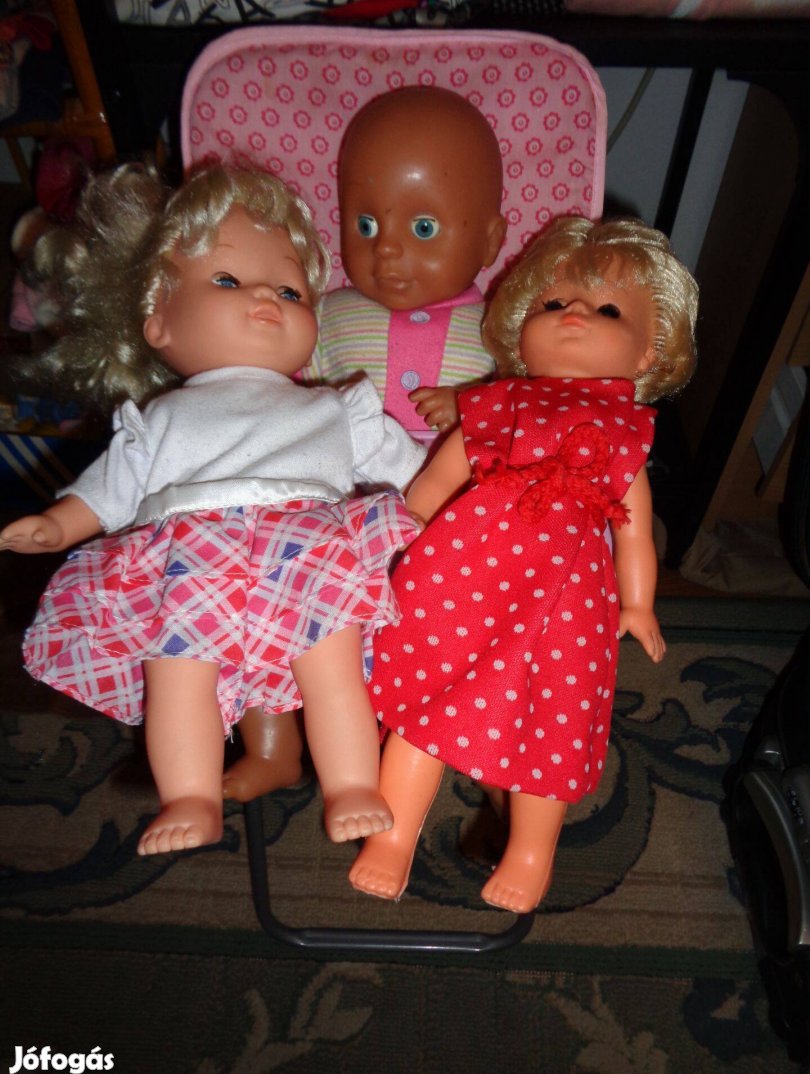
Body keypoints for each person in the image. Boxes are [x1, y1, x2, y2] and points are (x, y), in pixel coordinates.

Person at [0, 163, 426, 856]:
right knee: (177, 677)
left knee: (333, 670)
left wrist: (452, 505)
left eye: (288, 290)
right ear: (159, 321)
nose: (264, 296)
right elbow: (112, 488)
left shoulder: (334, 407)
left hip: (308, 551)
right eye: (226, 280)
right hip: (190, 560)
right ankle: (191, 795)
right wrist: (59, 523)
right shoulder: (160, 417)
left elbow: (413, 472)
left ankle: (352, 783)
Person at [348, 215, 699, 913]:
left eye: (607, 311)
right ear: (518, 324)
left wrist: (638, 603)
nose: (574, 314)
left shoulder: (623, 426)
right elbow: (437, 480)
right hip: (461, 580)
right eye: (554, 301)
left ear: (649, 351)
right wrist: (397, 535)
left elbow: (633, 528)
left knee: (551, 724)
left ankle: (531, 854)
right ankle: (392, 835)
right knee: (425, 707)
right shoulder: (500, 401)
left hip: (566, 601)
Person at [223, 85, 507, 802]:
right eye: (366, 222)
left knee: (490, 627)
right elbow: (279, 384)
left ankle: (488, 760)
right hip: (335, 506)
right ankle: (273, 744)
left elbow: (529, 409)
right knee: (267, 594)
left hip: (450, 518)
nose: (387, 251)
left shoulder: (501, 327)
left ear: (490, 241)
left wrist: (475, 406)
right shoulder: (325, 314)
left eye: (423, 227)